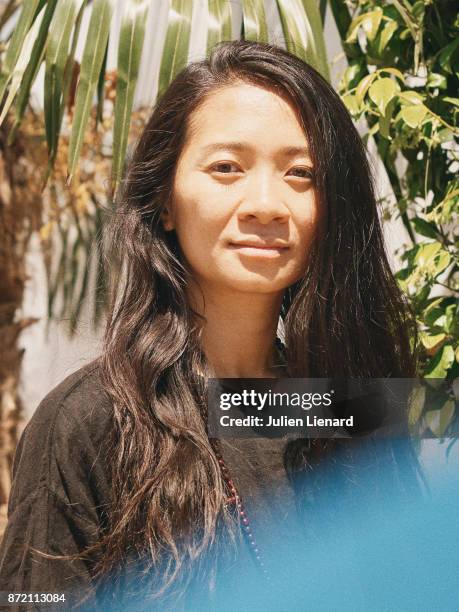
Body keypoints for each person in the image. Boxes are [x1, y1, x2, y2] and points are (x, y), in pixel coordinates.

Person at [0, 40, 420, 610]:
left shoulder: (351, 402)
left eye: (302, 173)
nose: (267, 203)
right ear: (165, 201)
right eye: (227, 167)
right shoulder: (90, 423)